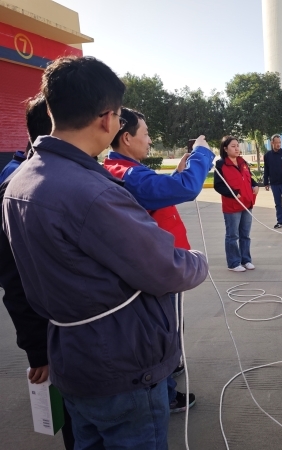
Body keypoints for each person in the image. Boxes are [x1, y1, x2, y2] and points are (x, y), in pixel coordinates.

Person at [2, 56, 209, 448]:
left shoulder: (20, 181)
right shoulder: (91, 192)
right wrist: (198, 260)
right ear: (107, 119)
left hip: (72, 355)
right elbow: (166, 268)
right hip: (119, 361)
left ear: (51, 109)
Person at [103, 107, 215, 413]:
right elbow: (186, 188)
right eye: (147, 133)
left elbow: (158, 191)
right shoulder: (129, 175)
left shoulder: (123, 170)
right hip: (159, 270)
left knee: (166, 329)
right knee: (163, 331)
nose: (150, 140)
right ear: (127, 138)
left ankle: (168, 371)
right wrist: (201, 153)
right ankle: (165, 392)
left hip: (157, 266)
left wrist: (177, 174)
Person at [0, 93, 76, 450]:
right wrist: (37, 349)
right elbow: (14, 280)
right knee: (78, 421)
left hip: (79, 338)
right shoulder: (24, 189)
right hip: (62, 336)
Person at [214, 136, 258, 271]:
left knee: (245, 234)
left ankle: (246, 260)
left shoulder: (243, 162)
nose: (236, 148)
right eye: (233, 146)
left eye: (237, 145)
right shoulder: (221, 165)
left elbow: (249, 177)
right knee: (232, 235)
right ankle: (234, 263)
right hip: (232, 206)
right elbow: (218, 185)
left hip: (247, 203)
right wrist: (232, 193)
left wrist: (255, 185)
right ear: (225, 149)